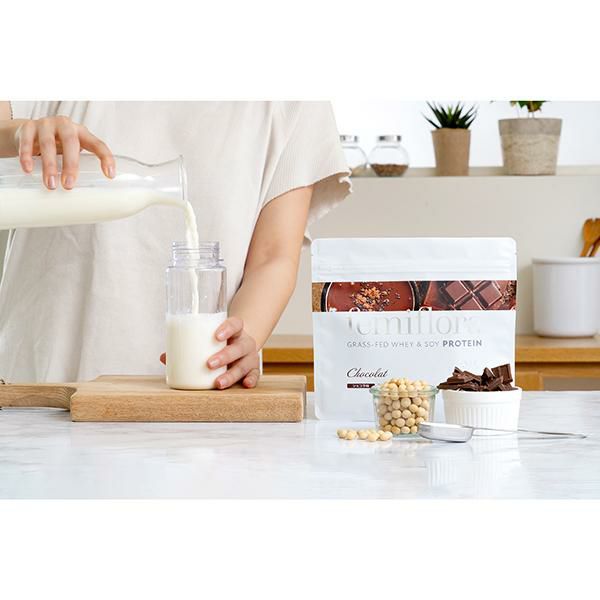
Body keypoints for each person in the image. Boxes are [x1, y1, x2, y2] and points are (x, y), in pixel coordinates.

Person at [0, 102, 350, 386]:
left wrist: (238, 343)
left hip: (197, 397)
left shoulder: (294, 101)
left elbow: (273, 257)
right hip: (41, 382)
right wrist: (18, 134)